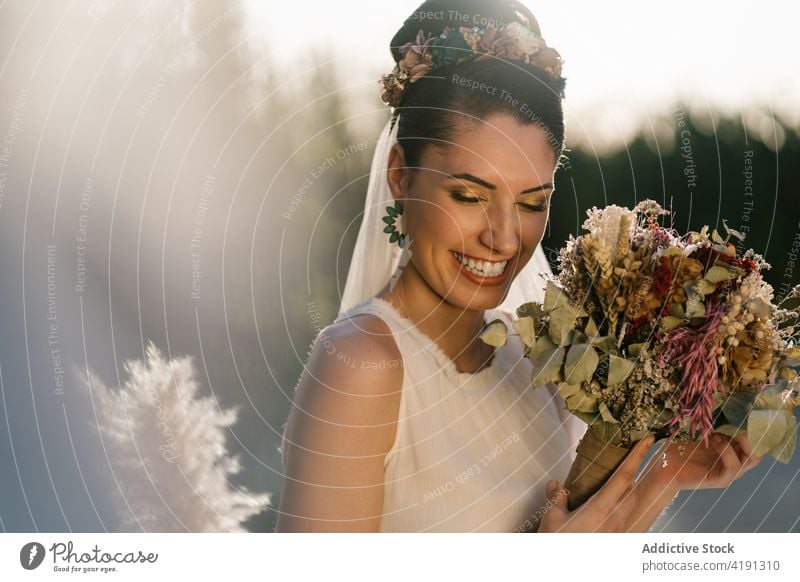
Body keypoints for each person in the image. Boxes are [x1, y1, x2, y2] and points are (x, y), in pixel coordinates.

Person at [276, 0, 762, 533]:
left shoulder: (533, 362)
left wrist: (663, 475)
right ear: (399, 175)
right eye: (468, 194)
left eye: (532, 203)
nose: (504, 238)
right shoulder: (361, 368)